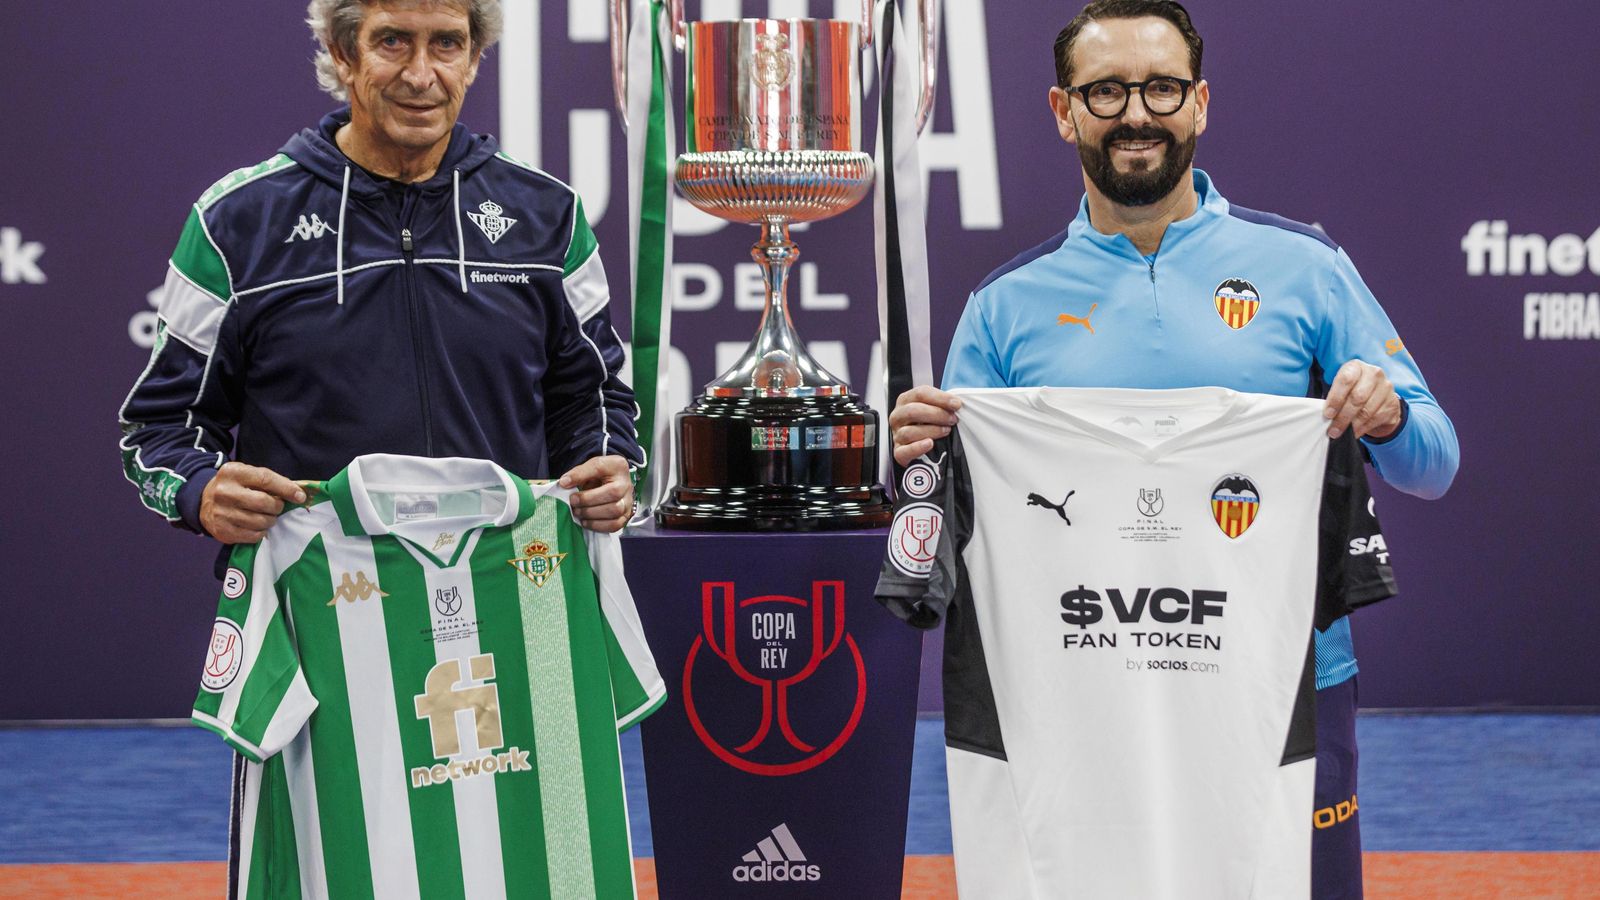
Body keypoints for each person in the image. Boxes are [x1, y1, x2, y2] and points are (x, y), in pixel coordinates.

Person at [887, 1, 1459, 896]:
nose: (1135, 114)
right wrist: (917, 459)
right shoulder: (1004, 309)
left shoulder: (1305, 270)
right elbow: (945, 518)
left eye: (1159, 88)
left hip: (1287, 682)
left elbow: (1436, 461)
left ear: (1199, 104)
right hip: (1079, 681)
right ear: (1062, 110)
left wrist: (1385, 416)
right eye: (1106, 91)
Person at [119, 0, 641, 551]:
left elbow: (595, 399)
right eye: (392, 41)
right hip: (315, 599)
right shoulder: (237, 221)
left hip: (510, 590)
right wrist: (199, 491)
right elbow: (160, 428)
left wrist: (607, 468)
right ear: (343, 53)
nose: (421, 75)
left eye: (446, 43)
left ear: (473, 59)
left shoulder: (548, 214)